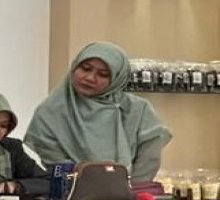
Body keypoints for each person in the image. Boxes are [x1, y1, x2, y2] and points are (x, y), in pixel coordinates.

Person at [24, 41, 172, 181]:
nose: (90, 78)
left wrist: (129, 191)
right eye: (85, 68)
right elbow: (57, 165)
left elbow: (148, 160)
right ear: (74, 67)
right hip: (72, 193)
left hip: (130, 194)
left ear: (117, 79)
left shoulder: (137, 110)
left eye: (103, 74)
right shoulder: (50, 113)